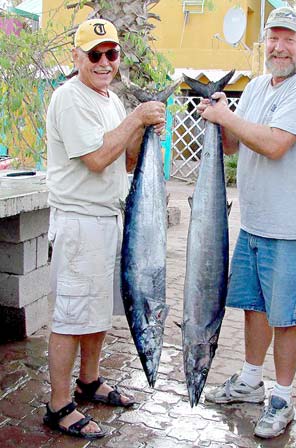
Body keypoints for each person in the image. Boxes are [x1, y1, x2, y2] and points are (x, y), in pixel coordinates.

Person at [199, 7, 296, 439]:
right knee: (254, 309)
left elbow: (274, 144)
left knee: (286, 318)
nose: (279, 46)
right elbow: (235, 146)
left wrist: (226, 117)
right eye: (273, 37)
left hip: (294, 231)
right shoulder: (256, 87)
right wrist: (220, 114)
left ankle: (283, 398)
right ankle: (251, 382)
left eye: (289, 38)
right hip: (255, 224)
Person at [44, 18, 166, 439]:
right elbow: (96, 159)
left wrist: (144, 132)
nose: (103, 62)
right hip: (79, 224)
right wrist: (136, 119)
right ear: (76, 56)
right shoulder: (69, 98)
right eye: (94, 54)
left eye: (110, 54)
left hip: (109, 220)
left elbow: (125, 161)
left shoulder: (109, 100)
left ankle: (89, 381)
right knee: (71, 316)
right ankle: (59, 403)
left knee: (97, 313)